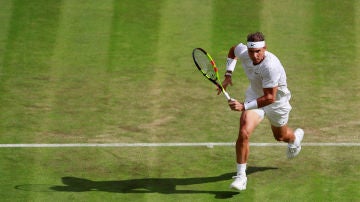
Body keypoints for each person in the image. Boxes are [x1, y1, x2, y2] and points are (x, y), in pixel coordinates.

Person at [219, 32, 304, 191]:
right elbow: (233, 51)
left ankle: (294, 139)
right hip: (255, 95)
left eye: (258, 51)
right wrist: (228, 74)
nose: (254, 55)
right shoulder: (245, 53)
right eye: (251, 52)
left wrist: (243, 106)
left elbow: (270, 98)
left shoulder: (270, 66)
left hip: (277, 102)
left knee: (280, 136)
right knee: (244, 131)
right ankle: (241, 176)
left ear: (265, 48)